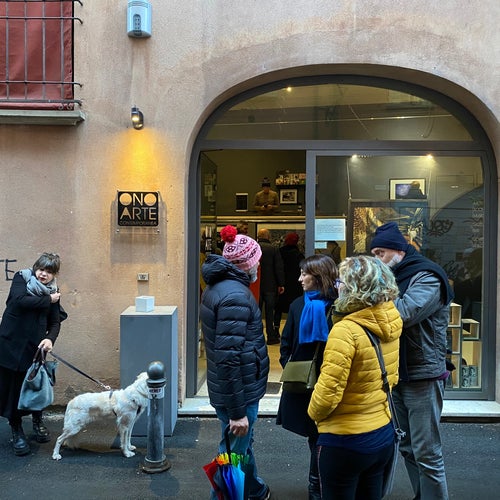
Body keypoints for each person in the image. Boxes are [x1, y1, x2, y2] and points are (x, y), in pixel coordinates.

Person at [370, 221, 453, 500]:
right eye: (374, 254)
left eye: (380, 253)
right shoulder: (394, 277)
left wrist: (371, 295)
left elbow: (403, 314)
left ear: (398, 250)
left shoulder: (427, 276)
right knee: (406, 446)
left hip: (423, 374)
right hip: (397, 372)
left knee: (427, 452)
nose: (377, 259)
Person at [308, 255, 402, 499]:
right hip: (382, 431)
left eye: (341, 281)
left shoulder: (346, 329)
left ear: (354, 288)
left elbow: (327, 394)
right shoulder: (391, 318)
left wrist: (313, 414)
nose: (337, 286)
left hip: (345, 439)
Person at [200, 225, 271, 500]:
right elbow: (229, 358)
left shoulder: (222, 288)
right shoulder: (236, 296)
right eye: (256, 261)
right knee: (232, 455)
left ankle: (255, 489)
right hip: (239, 392)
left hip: (235, 389)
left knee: (240, 446)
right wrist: (238, 412)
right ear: (246, 264)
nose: (258, 266)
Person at [277, 254, 338, 500]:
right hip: (306, 384)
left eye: (305, 274)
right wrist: (293, 368)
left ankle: (319, 485)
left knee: (326, 437)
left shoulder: (339, 306)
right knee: (316, 436)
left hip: (332, 381)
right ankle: (316, 486)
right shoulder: (297, 305)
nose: (300, 279)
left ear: (319, 277)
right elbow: (286, 344)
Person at [0, 252, 65, 456]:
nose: (43, 274)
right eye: (41, 269)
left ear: (54, 274)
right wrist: (48, 300)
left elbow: (55, 322)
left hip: (34, 348)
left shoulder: (53, 291)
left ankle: (37, 421)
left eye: (49, 272)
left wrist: (50, 339)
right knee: (13, 388)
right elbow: (19, 301)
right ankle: (16, 429)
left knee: (36, 385)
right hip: (10, 344)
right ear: (35, 268)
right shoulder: (22, 278)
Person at [257, 228, 285, 345]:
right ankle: (271, 336)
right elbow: (278, 267)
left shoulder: (254, 247)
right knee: (269, 313)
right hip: (270, 286)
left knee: (257, 312)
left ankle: (257, 337)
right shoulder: (273, 249)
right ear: (268, 236)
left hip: (256, 285)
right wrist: (281, 283)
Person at [273, 232, 305, 335]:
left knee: (278, 308)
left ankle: (276, 329)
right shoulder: (299, 255)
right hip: (295, 286)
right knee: (294, 308)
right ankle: (293, 330)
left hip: (282, 284)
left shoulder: (280, 252)